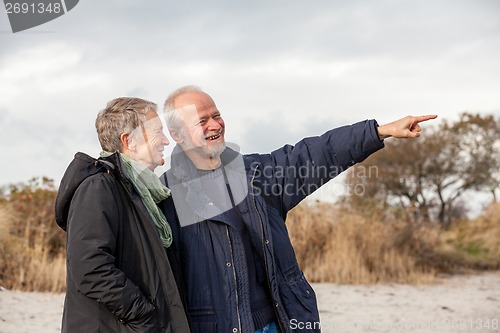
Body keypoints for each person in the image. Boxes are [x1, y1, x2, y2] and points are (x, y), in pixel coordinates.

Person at [159, 85, 437, 333]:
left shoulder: (258, 174)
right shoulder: (165, 196)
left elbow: (315, 153)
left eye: (216, 115)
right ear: (177, 134)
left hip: (274, 323)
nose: (215, 125)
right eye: (202, 120)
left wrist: (378, 131)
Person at [54, 97, 190, 333]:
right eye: (158, 131)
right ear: (130, 141)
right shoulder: (98, 188)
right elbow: (90, 268)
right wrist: (144, 315)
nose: (166, 140)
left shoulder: (143, 194)